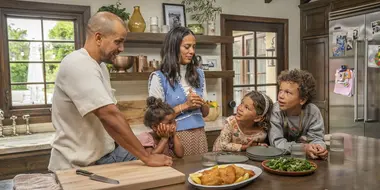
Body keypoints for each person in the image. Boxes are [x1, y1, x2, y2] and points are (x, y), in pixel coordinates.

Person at [48, 12, 172, 172]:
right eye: (118, 42)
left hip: (100, 161)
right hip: (74, 167)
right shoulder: (77, 63)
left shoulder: (100, 67)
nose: (122, 48)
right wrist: (146, 157)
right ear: (98, 38)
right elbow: (109, 115)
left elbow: (112, 115)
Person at [148, 26, 209, 156]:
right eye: (187, 47)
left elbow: (205, 113)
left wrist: (201, 103)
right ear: (174, 48)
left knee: (201, 174)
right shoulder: (159, 78)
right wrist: (186, 105)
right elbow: (157, 119)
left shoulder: (199, 74)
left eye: (194, 46)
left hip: (200, 135)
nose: (192, 51)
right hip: (175, 139)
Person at [269, 69, 328, 159]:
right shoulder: (276, 111)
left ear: (302, 99)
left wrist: (319, 148)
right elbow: (276, 143)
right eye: (280, 90)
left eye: (287, 92)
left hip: (305, 161)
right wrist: (302, 148)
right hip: (279, 159)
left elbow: (317, 138)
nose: (280, 96)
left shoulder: (313, 112)